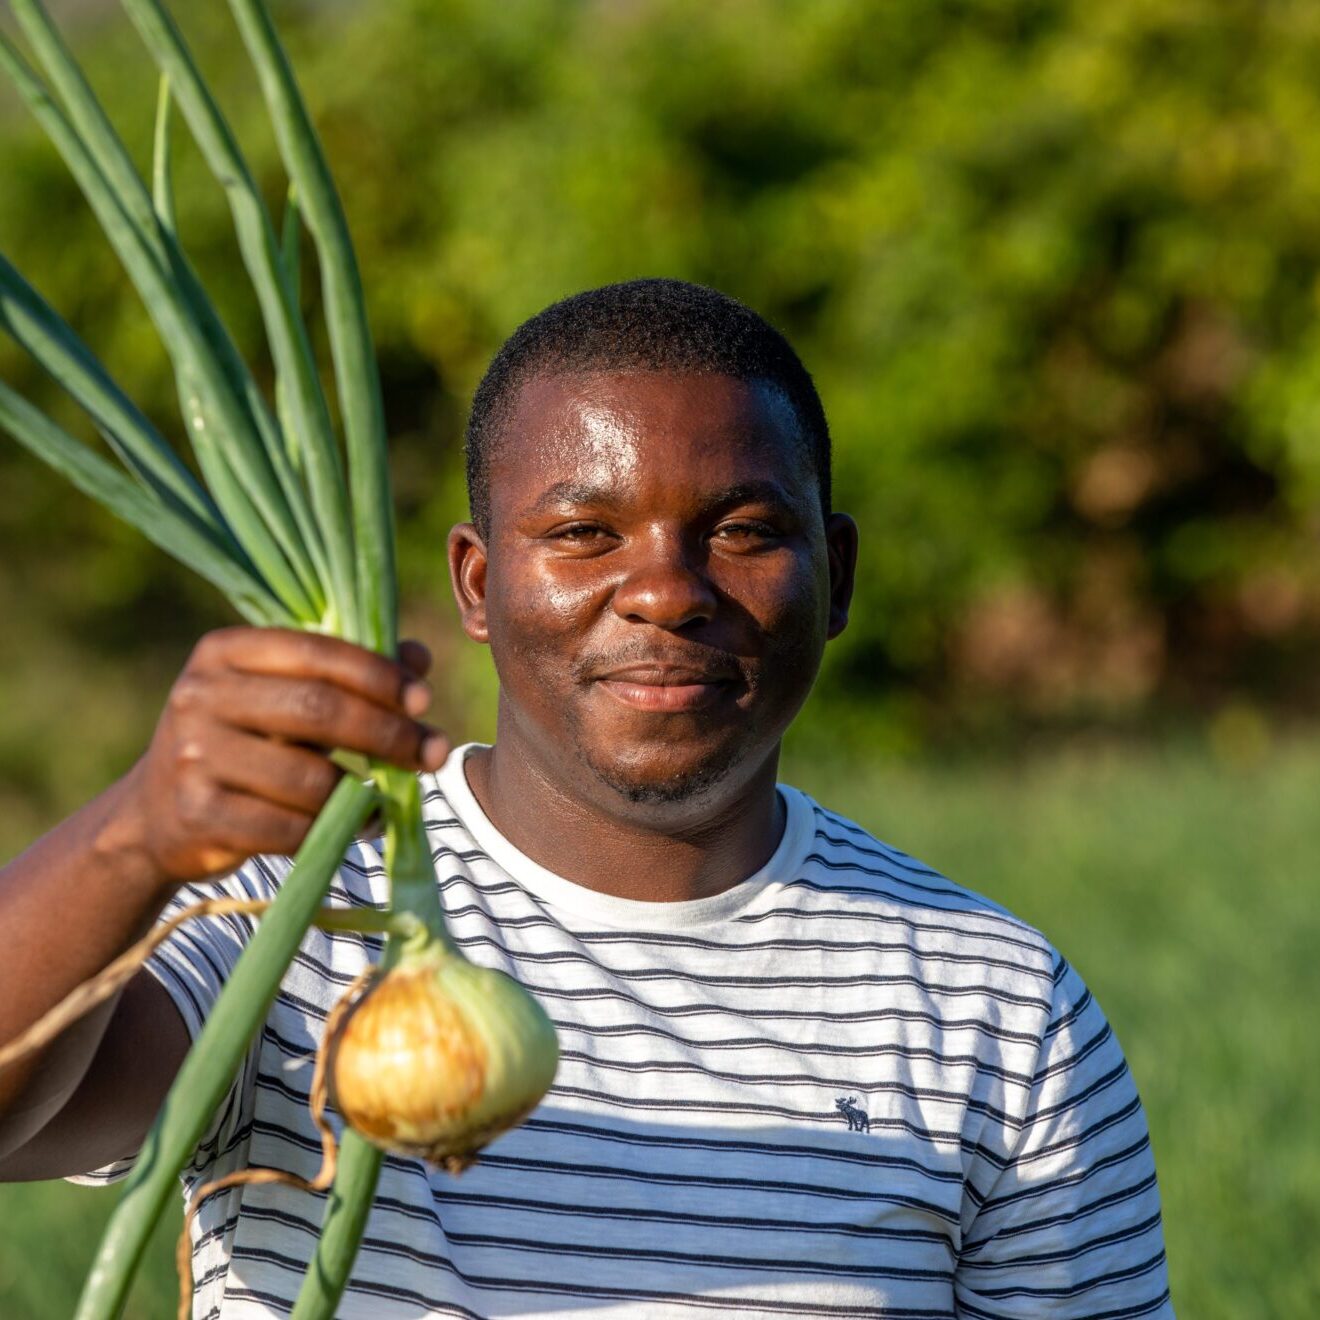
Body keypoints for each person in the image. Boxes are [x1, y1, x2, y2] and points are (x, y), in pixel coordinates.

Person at [0, 280, 1173, 1317]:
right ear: (477, 581)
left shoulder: (998, 1003)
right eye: (582, 533)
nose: (665, 591)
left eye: (745, 531)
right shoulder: (288, 921)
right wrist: (133, 836)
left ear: (840, 575)